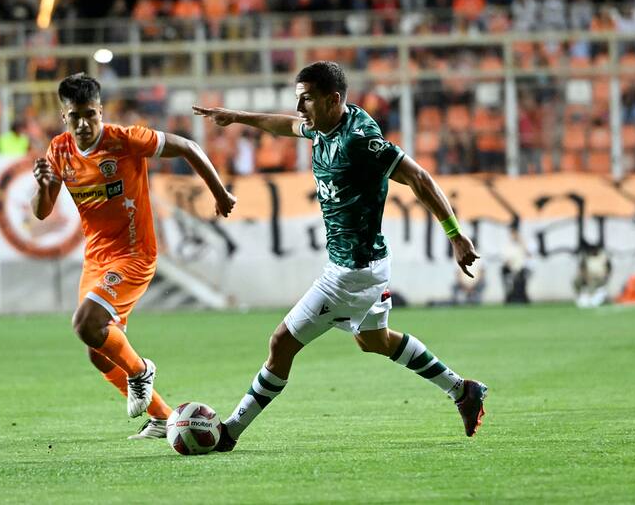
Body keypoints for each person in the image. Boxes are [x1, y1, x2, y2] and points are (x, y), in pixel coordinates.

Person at [193, 61, 487, 452]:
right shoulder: (322, 125)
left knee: (281, 343)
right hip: (363, 264)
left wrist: (456, 236)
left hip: (352, 273)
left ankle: (229, 431)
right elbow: (285, 125)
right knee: (375, 341)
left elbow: (419, 177)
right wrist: (237, 117)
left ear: (332, 99)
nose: (300, 109)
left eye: (306, 100)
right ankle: (463, 390)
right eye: (298, 99)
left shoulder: (360, 141)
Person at [32, 73, 236, 439]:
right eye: (75, 116)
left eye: (90, 114)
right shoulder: (59, 150)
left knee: (84, 324)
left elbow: (189, 146)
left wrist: (219, 193)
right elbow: (42, 212)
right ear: (64, 117)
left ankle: (140, 371)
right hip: (96, 258)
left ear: (101, 111)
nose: (83, 123)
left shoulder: (125, 140)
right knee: (97, 351)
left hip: (134, 254)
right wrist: (44, 187)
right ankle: (162, 417)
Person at [574, 242, 612, 308]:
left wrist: (606, 276)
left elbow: (609, 268)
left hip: (600, 277)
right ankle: (581, 297)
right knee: (576, 281)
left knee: (592, 284)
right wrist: (585, 276)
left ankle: (592, 299)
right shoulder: (586, 257)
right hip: (588, 276)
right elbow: (582, 268)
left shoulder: (603, 257)